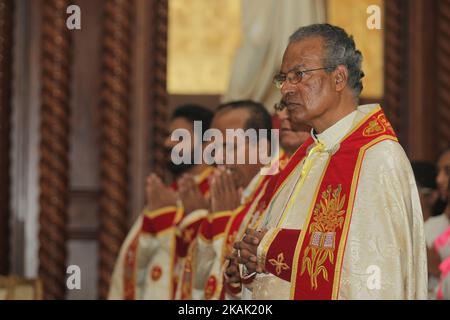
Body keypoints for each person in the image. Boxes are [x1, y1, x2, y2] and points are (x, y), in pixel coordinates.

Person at [229, 23, 427, 299]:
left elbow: (376, 270)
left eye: (299, 74)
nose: (286, 88)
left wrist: (273, 249)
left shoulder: (377, 157)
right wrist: (252, 262)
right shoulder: (304, 157)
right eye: (283, 78)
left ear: (339, 78)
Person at [108, 104, 214, 299]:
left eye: (178, 137)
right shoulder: (167, 194)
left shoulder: (218, 193)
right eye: (168, 136)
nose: (167, 143)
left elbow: (206, 260)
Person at [424, 148, 450, 299]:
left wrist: (437, 267)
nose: (439, 180)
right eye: (438, 172)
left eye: (447, 172)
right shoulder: (430, 228)